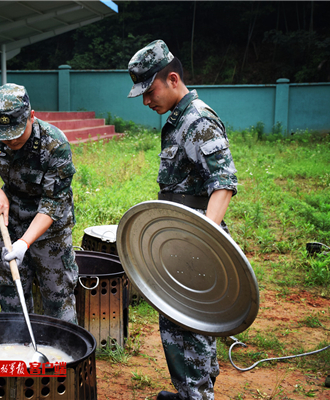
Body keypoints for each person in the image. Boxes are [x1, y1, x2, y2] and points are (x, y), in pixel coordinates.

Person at [126, 40, 238, 400]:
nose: (146, 101)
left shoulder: (197, 119)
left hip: (194, 244)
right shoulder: (179, 119)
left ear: (173, 78)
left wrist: (205, 242)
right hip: (179, 239)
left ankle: (197, 394)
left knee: (189, 329)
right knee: (182, 326)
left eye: (150, 90)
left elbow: (223, 183)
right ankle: (192, 392)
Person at [0, 83, 78, 324]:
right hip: (12, 221)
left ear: (32, 116)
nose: (10, 141)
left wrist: (25, 243)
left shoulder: (55, 145)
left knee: (57, 297)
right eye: (4, 136)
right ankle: (20, 351)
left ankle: (65, 358)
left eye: (16, 132)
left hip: (50, 230)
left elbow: (52, 202)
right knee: (11, 296)